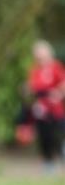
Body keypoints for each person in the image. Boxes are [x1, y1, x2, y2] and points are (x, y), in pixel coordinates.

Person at [25, 40, 65, 172]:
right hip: (41, 107)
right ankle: (48, 163)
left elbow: (63, 83)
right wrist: (27, 91)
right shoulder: (35, 70)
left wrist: (58, 93)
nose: (39, 57)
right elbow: (31, 87)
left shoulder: (56, 67)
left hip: (55, 107)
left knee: (59, 131)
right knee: (44, 135)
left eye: (42, 54)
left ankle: (61, 153)